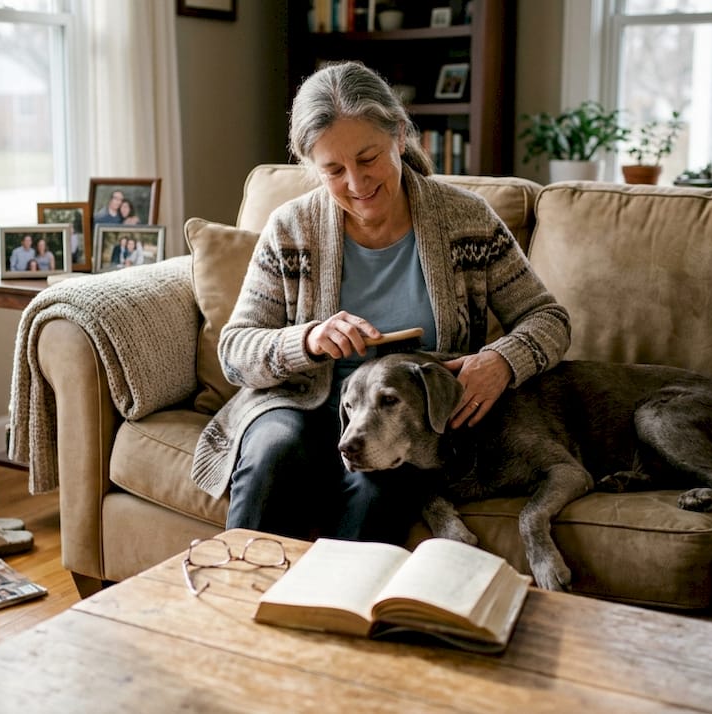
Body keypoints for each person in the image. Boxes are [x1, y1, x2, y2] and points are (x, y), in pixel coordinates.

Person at [191, 61, 571, 545]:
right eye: (333, 170)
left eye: (368, 158)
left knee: (380, 491)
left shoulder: (466, 220)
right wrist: (305, 340)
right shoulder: (291, 228)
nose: (356, 183)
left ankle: (339, 612)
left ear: (400, 136)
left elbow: (549, 319)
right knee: (274, 453)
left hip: (399, 419)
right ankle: (239, 605)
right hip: (299, 404)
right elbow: (236, 352)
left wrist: (501, 360)